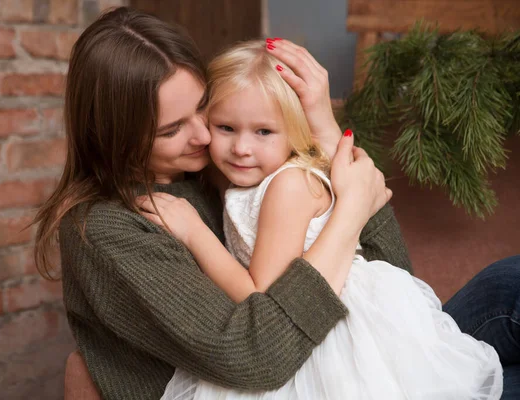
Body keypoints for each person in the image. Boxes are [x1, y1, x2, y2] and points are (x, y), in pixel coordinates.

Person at [32, 6, 520, 400]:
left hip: (344, 351)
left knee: (509, 282)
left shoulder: (206, 170)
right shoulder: (107, 231)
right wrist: (350, 211)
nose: (205, 136)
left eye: (204, 109)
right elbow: (255, 358)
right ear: (113, 136)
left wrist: (327, 136)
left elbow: (392, 274)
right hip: (293, 382)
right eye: (171, 128)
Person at [140, 40, 502, 399]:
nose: (241, 148)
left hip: (333, 326)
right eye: (226, 128)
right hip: (301, 316)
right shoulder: (243, 177)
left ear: (295, 131)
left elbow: (259, 293)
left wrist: (193, 231)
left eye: (263, 131)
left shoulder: (288, 185)